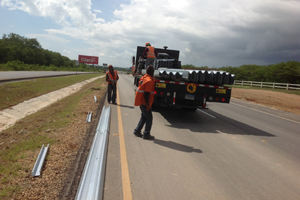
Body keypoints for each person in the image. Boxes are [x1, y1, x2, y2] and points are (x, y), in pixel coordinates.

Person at [133, 65, 155, 139]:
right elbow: (146, 94)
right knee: (149, 118)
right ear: (153, 72)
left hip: (141, 102)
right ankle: (146, 134)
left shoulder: (144, 78)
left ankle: (137, 131)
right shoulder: (149, 81)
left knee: (144, 117)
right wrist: (148, 105)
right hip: (145, 103)